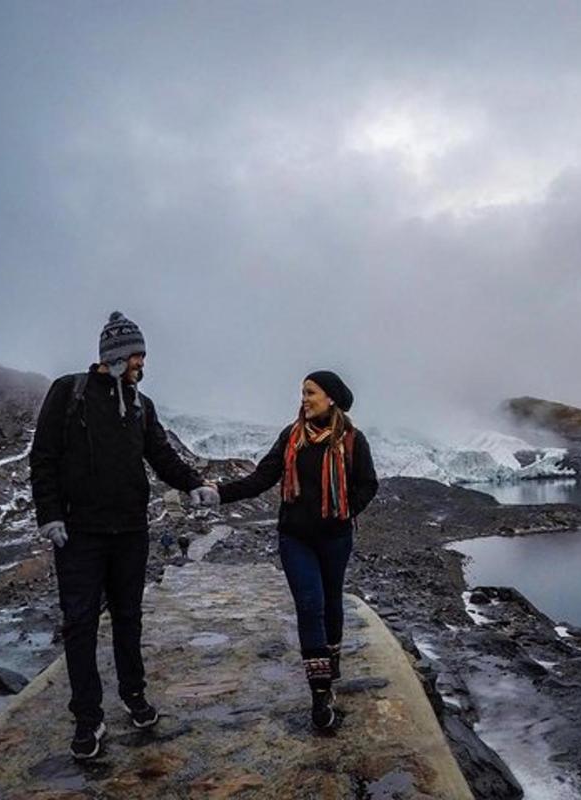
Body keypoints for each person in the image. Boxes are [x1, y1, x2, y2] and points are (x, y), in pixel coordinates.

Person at [29, 311, 220, 760]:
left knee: (128, 618)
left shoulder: (141, 404)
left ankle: (134, 696)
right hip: (79, 535)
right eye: (138, 355)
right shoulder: (68, 392)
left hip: (131, 532)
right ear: (115, 355)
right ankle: (87, 718)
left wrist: (193, 483)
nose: (142, 363)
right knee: (79, 624)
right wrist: (50, 515)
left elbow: (160, 454)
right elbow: (44, 458)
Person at [200, 370, 377, 729]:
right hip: (295, 538)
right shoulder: (292, 436)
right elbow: (262, 477)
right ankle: (320, 693)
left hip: (336, 538)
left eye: (310, 392)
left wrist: (344, 510)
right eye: (302, 392)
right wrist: (222, 494)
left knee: (331, 602)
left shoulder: (352, 441)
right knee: (310, 605)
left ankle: (333, 656)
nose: (304, 398)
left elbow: (368, 484)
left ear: (331, 398)